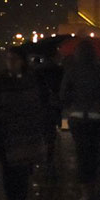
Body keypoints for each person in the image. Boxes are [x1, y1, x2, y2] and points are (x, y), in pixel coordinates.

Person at [0, 46, 46, 200]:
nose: (11, 63)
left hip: (17, 139)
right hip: (14, 139)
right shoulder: (31, 82)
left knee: (16, 179)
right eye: (9, 59)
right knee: (16, 179)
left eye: (14, 59)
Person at [60, 41, 100, 200]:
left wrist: (74, 102)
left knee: (81, 153)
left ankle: (86, 192)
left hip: (77, 117)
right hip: (97, 117)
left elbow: (63, 95)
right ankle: (98, 185)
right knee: (97, 150)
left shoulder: (71, 71)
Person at [34, 49, 65, 179]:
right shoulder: (59, 71)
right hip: (53, 106)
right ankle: (49, 161)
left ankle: (38, 159)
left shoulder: (36, 70)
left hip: (39, 105)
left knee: (41, 132)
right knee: (50, 134)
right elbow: (62, 89)